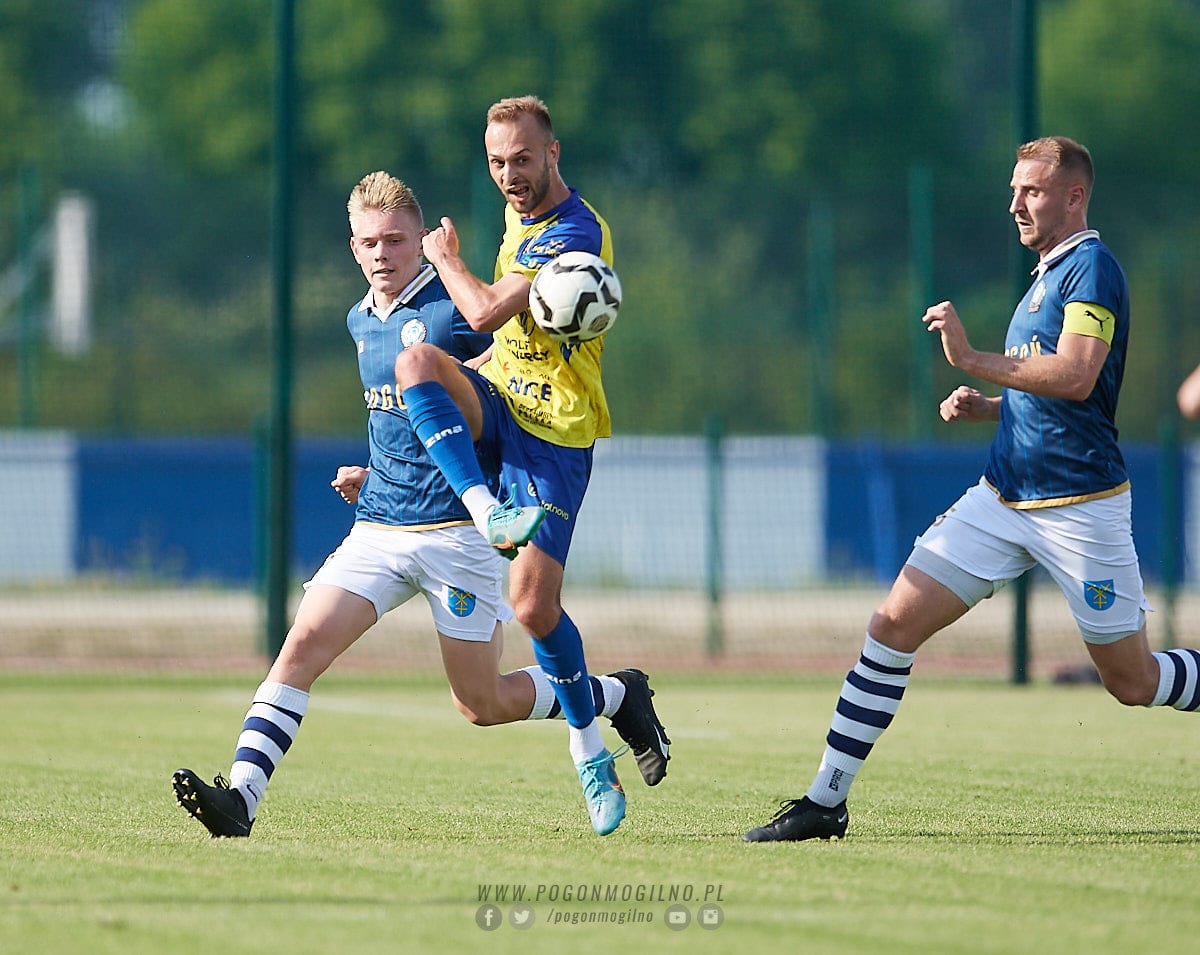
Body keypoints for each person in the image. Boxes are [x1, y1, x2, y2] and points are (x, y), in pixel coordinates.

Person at [172, 170, 663, 838]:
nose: (383, 254)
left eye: (396, 240)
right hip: (379, 527)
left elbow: (498, 394)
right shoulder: (359, 319)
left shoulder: (453, 308)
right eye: (370, 242)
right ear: (353, 248)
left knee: (482, 702)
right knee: (300, 649)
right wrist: (373, 469)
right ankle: (241, 799)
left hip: (458, 537)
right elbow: (407, 418)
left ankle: (614, 692)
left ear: (420, 239)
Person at [744, 136, 1200, 843]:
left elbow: (1077, 375)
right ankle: (824, 801)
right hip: (1002, 496)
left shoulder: (1092, 268)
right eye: (1014, 189)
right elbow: (1050, 391)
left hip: (1079, 506)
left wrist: (970, 357)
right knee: (892, 624)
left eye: (1032, 191)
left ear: (1074, 196)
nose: (1015, 203)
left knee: (1133, 682)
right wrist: (991, 408)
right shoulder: (1046, 274)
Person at [393, 95, 670, 837]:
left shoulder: (576, 231)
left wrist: (444, 259)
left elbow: (485, 311)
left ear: (553, 153)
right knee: (416, 362)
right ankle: (485, 508)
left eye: (521, 158)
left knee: (533, 610)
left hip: (555, 434)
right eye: (496, 162)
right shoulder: (519, 215)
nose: (509, 175)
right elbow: (502, 339)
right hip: (503, 400)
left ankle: (591, 746)